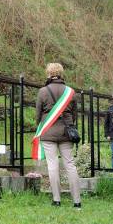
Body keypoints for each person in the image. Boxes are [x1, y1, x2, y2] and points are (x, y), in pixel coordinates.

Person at [35, 63, 81, 209]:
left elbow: (37, 115)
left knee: (52, 165)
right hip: (66, 132)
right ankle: (77, 201)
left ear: (49, 74)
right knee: (70, 164)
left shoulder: (42, 91)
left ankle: (56, 199)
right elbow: (74, 115)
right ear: (61, 74)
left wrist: (41, 125)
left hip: (48, 133)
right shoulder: (70, 92)